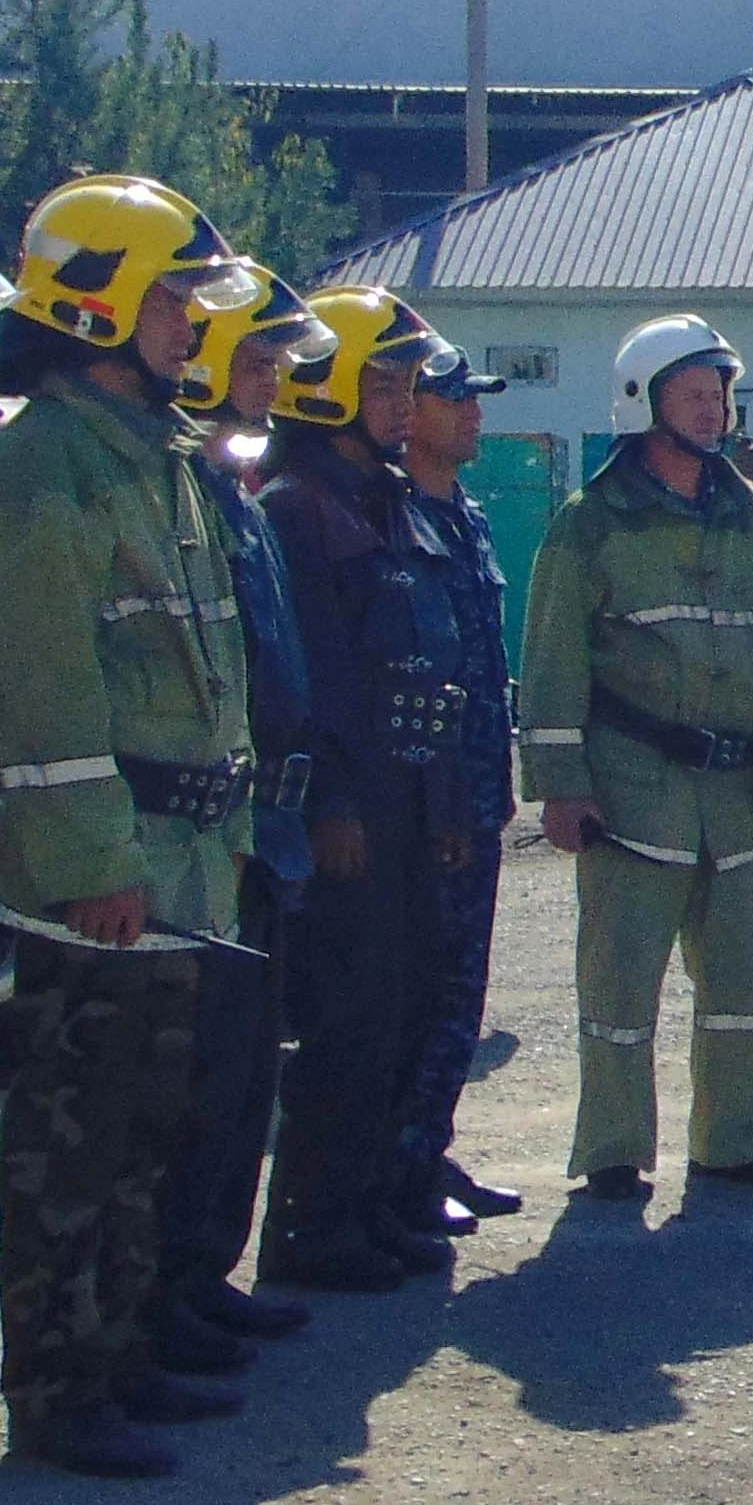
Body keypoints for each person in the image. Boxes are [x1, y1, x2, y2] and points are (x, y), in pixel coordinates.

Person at [0, 175, 269, 1480]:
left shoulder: (155, 458)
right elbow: (41, 691)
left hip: (177, 861)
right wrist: (93, 865)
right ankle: (60, 1386)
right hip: (105, 872)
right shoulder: (43, 466)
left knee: (150, 1127)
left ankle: (125, 1349)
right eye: (170, 298)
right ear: (94, 303)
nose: (192, 324)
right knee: (75, 1144)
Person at [522, 316, 753, 1199]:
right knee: (620, 989)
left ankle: (740, 1145)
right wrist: (559, 789)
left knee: (742, 985)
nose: (716, 413)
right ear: (643, 403)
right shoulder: (590, 527)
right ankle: (614, 1155)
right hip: (633, 796)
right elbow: (552, 663)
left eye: (724, 395)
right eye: (697, 395)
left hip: (742, 794)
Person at [257, 285, 459, 1289]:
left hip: (409, 802)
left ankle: (374, 1205)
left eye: (408, 386)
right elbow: (313, 676)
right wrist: (330, 804)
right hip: (354, 808)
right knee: (346, 1022)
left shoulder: (379, 500)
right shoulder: (297, 508)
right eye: (382, 384)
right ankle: (314, 1230)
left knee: (404, 1010)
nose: (400, 404)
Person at [159, 273, 334, 1333]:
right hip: (209, 830)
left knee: (239, 1082)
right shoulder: (208, 489)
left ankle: (204, 1283)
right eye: (255, 360)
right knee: (190, 1088)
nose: (270, 382)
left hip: (262, 826)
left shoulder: (232, 488)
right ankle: (170, 1291)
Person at [391, 335, 521, 1230]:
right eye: (457, 396)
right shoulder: (392, 516)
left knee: (458, 996)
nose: (476, 411)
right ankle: (397, 1167)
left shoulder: (466, 515)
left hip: (476, 796)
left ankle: (429, 1149)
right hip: (424, 804)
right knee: (414, 992)